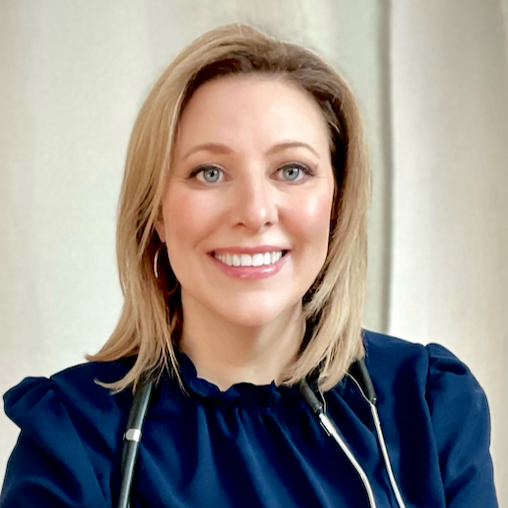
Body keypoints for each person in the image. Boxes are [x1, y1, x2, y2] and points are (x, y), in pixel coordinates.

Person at [0, 23, 498, 508]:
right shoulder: (72, 437)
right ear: (156, 212)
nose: (255, 212)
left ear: (337, 202)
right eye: (209, 173)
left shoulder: (429, 404)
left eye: (292, 170)